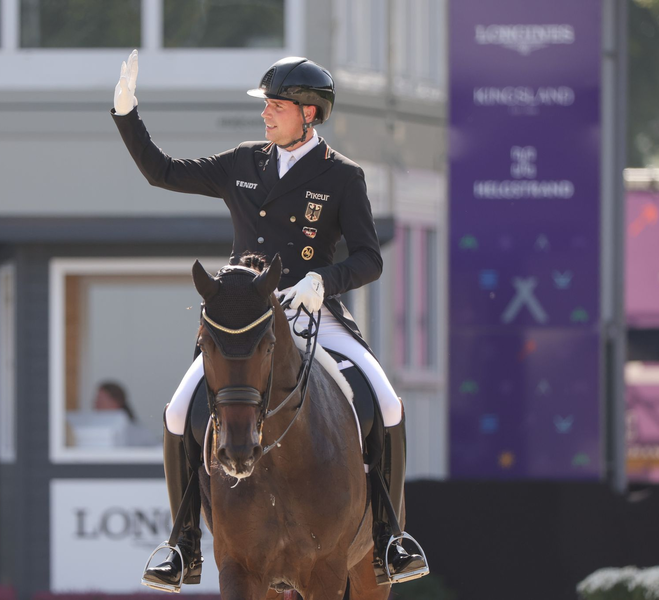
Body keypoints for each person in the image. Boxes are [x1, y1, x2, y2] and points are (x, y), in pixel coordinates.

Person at [111, 51, 428, 589]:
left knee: (388, 402)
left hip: (309, 310)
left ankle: (390, 537)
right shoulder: (243, 162)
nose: (266, 115)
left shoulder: (342, 176)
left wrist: (322, 280)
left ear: (309, 113)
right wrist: (126, 113)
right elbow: (163, 172)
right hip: (245, 318)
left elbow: (369, 258)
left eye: (276, 107)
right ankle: (183, 542)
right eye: (266, 107)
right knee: (176, 412)